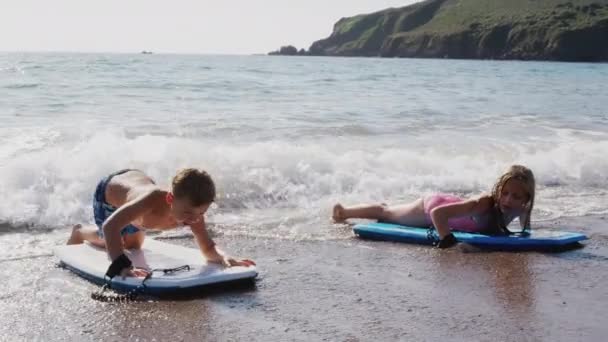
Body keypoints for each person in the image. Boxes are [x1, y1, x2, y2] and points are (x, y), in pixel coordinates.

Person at [67, 168, 255, 279]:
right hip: (110, 193)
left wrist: (223, 258)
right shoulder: (149, 202)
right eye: (188, 213)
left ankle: (124, 238)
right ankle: (80, 232)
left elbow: (207, 247)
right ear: (170, 198)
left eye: (202, 213)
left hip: (138, 192)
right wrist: (121, 266)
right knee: (114, 243)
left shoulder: (194, 212)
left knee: (133, 246)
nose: (194, 219)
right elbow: (110, 226)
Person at [332, 165, 535, 248]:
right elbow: (438, 214)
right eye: (505, 193)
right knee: (386, 213)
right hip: (432, 209)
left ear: (526, 199)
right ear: (498, 189)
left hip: (451, 208)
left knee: (391, 211)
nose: (508, 200)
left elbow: (525, 225)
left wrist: (526, 232)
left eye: (516, 196)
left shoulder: (521, 208)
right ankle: (344, 212)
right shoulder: (483, 204)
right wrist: (448, 241)